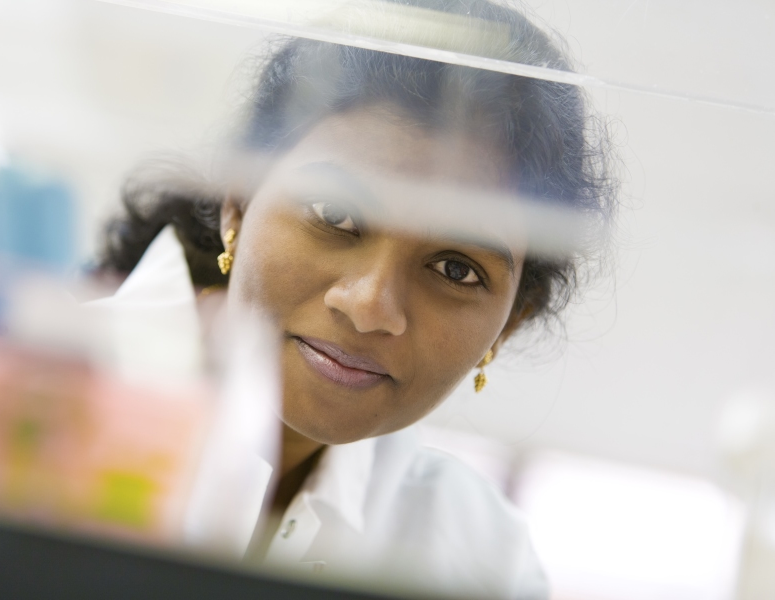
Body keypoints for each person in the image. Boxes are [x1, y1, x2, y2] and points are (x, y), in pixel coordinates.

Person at [97, 0, 617, 597]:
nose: (371, 305)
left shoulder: (478, 558)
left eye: (456, 269)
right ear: (239, 199)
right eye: (334, 213)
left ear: (509, 324)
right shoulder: (18, 402)